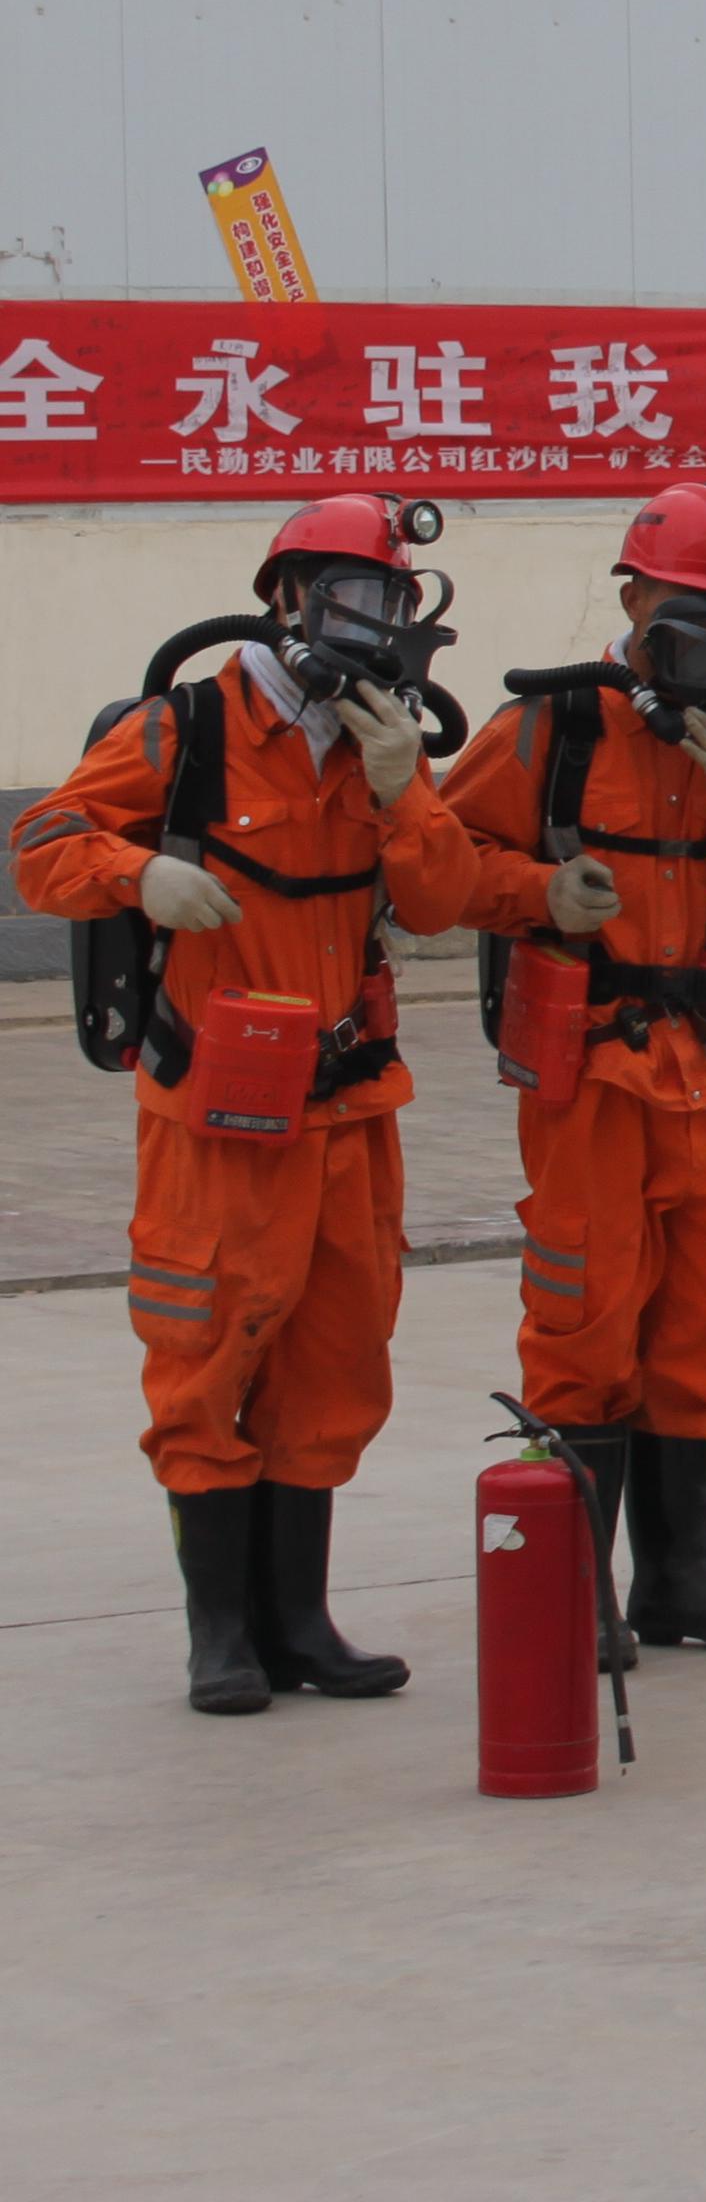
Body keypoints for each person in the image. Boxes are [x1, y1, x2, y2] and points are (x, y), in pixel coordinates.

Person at [18, 493, 481, 1714]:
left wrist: (407, 788)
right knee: (207, 1353)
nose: (376, 620)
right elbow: (43, 845)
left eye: (394, 599)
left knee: (335, 1357)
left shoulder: (380, 739)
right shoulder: (187, 729)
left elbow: (439, 904)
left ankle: (300, 1625)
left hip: (347, 1107)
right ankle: (219, 1635)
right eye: (356, 595)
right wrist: (140, 873)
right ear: (286, 597)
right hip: (219, 1113)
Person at [438, 482, 706, 1659]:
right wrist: (538, 893)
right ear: (633, 602)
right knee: (585, 1319)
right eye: (684, 613)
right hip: (595, 1074)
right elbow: (437, 863)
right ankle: (576, 1590)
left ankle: (678, 1579)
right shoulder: (550, 728)